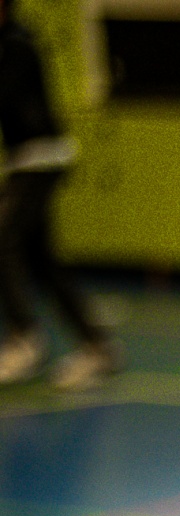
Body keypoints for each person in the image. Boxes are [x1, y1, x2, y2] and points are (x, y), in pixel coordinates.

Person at [0, 0, 118, 389]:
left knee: (4, 239)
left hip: (41, 157)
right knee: (43, 261)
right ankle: (97, 346)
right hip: (25, 159)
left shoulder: (16, 45)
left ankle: (24, 339)